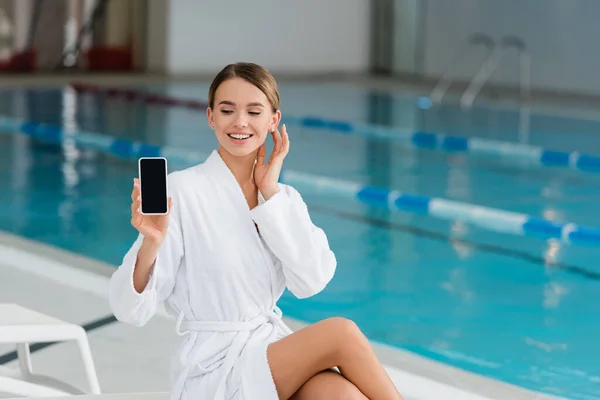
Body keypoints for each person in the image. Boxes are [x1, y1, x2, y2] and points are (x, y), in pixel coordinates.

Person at [108, 62, 403, 400]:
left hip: (268, 353)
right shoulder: (181, 191)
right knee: (342, 333)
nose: (240, 122)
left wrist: (271, 194)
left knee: (343, 396)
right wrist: (151, 242)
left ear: (273, 120)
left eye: (254, 110)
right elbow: (129, 310)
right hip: (214, 368)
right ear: (211, 117)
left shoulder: (282, 199)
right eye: (227, 110)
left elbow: (312, 281)